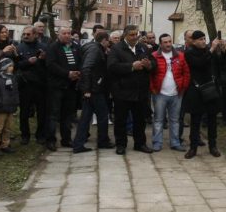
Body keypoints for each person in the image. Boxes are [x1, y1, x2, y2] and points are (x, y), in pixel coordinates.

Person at [106, 25, 155, 155]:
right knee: (121, 120)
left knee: (140, 120)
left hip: (140, 91)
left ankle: (140, 144)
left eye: (136, 34)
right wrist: (131, 67)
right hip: (123, 91)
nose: (135, 37)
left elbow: (153, 63)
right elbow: (112, 67)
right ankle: (121, 144)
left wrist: (149, 65)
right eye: (132, 35)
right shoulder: (116, 48)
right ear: (125, 35)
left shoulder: (143, 47)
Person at [183, 31, 224, 158]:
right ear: (194, 41)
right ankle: (193, 148)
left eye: (204, 38)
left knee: (212, 119)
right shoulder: (189, 52)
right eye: (200, 39)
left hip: (210, 89)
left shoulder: (209, 51)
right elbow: (199, 63)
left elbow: (221, 63)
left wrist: (221, 50)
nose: (203, 41)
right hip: (196, 90)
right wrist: (211, 49)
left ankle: (213, 146)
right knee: (195, 121)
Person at [74, 30, 115, 153]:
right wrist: (87, 89)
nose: (109, 43)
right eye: (108, 41)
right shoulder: (95, 50)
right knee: (102, 115)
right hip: (93, 89)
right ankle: (102, 141)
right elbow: (87, 68)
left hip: (92, 88)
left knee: (86, 117)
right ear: (104, 40)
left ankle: (78, 144)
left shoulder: (91, 47)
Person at [149, 33, 190, 151]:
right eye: (165, 42)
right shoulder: (154, 55)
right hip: (159, 94)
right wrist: (153, 89)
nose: (168, 44)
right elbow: (150, 75)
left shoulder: (180, 56)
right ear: (160, 44)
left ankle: (175, 142)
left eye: (169, 41)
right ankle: (157, 143)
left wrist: (183, 87)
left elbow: (186, 73)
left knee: (175, 120)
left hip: (176, 94)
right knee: (158, 119)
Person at [45, 27, 82, 151]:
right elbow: (51, 65)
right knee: (53, 114)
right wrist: (67, 74)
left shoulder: (75, 47)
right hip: (57, 86)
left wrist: (78, 73)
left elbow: (80, 61)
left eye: (69, 33)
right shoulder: (53, 48)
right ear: (58, 35)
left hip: (71, 87)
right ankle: (50, 140)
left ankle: (66, 139)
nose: (67, 35)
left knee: (68, 115)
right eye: (64, 33)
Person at [15, 25, 47, 144]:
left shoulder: (43, 47)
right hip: (25, 84)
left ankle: (40, 135)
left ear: (35, 35)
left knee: (42, 112)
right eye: (24, 34)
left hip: (40, 84)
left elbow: (49, 65)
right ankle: (25, 135)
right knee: (24, 112)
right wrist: (28, 62)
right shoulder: (19, 48)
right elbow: (16, 65)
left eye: (28, 34)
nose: (26, 36)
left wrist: (44, 59)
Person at [0, 57, 19, 155]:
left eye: (12, 65)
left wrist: (16, 102)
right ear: (5, 67)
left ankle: (5, 144)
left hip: (10, 107)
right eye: (10, 66)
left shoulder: (13, 78)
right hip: (1, 107)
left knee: (8, 128)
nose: (12, 67)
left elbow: (15, 92)